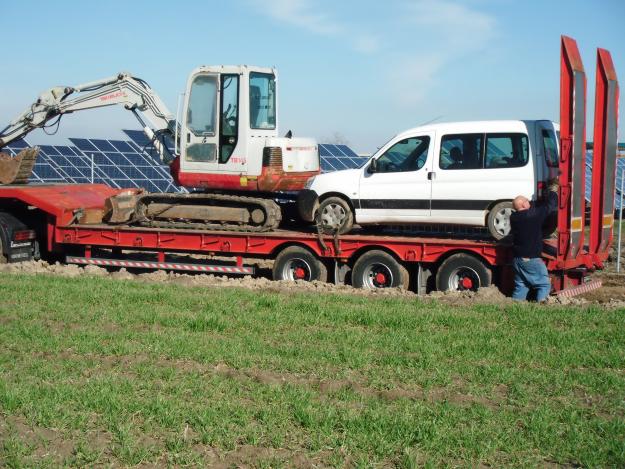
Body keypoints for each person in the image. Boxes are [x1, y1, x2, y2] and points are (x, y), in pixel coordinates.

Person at [509, 180, 558, 301]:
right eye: (527, 201)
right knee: (544, 284)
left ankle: (514, 307)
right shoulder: (531, 216)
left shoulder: (514, 217)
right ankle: (540, 310)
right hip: (530, 259)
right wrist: (553, 192)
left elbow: (534, 210)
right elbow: (549, 207)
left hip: (517, 259)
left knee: (522, 286)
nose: (530, 202)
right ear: (523, 205)